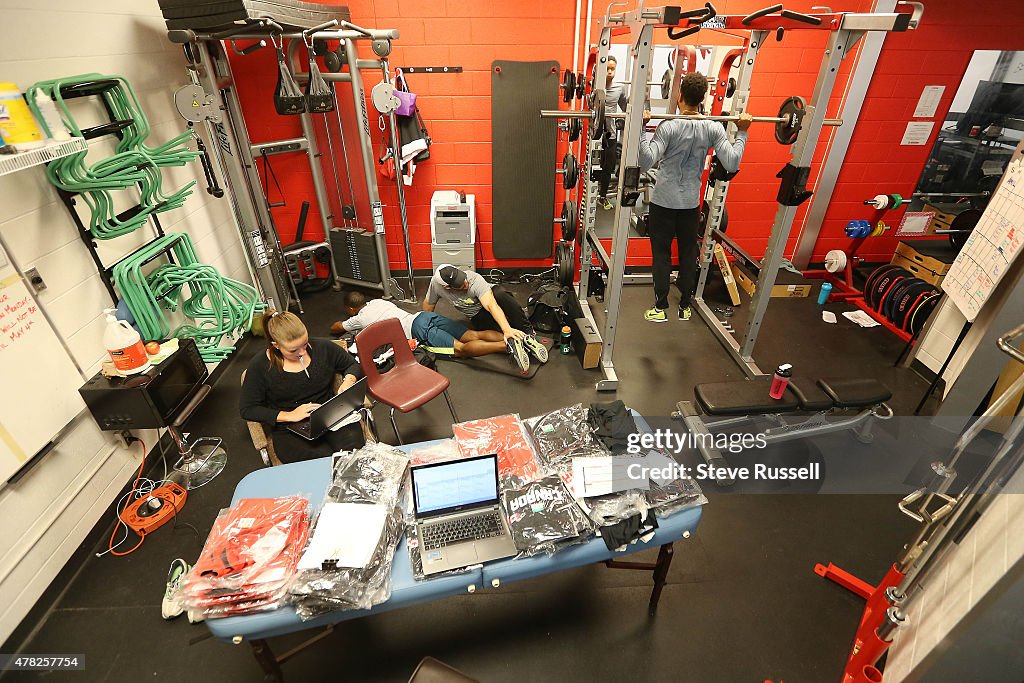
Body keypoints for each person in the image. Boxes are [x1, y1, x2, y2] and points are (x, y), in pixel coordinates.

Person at [639, 72, 752, 322]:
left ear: (680, 97)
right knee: (689, 252)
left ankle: (660, 307)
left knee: (662, 253)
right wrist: (742, 132)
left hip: (663, 202)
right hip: (690, 204)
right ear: (702, 99)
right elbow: (732, 162)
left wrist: (640, 129)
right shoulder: (712, 128)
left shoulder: (668, 126)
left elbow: (646, 161)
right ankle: (685, 306)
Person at [240, 311, 365, 464]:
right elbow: (248, 409)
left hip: (329, 413)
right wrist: (290, 415)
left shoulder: (323, 348)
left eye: (305, 344)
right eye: (293, 350)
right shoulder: (260, 366)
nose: (302, 352)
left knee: (353, 456)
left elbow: (352, 364)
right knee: (322, 464)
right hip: (290, 429)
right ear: (276, 345)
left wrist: (348, 380)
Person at [331, 290, 523, 366]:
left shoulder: (358, 318)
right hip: (423, 316)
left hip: (417, 331)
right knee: (472, 334)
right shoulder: (378, 302)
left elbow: (337, 328)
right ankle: (515, 337)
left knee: (462, 350)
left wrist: (348, 318)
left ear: (350, 309)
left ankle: (506, 346)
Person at [424, 265, 548, 372]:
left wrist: (507, 330)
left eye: (464, 279)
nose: (466, 283)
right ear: (447, 287)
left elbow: (490, 304)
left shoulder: (474, 279)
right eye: (461, 285)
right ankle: (520, 342)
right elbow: (428, 305)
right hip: (477, 315)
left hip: (493, 300)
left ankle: (527, 332)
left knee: (500, 293)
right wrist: (424, 323)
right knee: (491, 332)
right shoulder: (436, 285)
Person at [598, 55, 628, 210]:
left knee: (608, 166)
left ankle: (602, 197)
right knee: (594, 165)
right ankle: (589, 194)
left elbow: (626, 108)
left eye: (612, 69)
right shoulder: (595, 88)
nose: (610, 72)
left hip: (610, 134)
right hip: (595, 133)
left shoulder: (619, 88)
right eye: (607, 68)